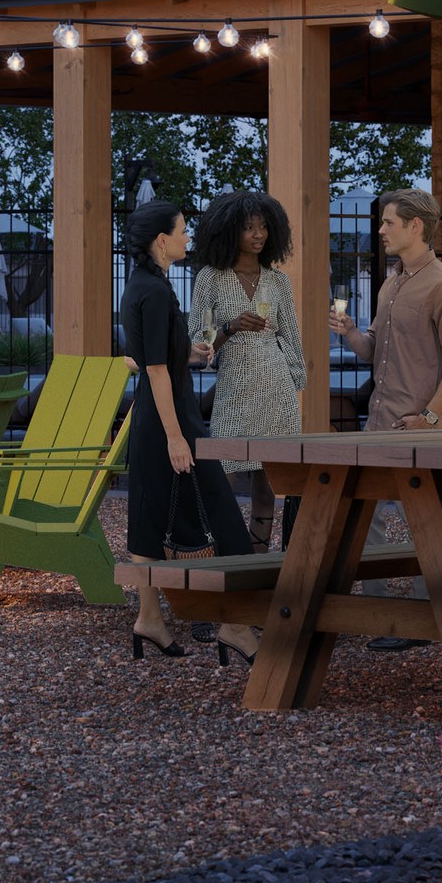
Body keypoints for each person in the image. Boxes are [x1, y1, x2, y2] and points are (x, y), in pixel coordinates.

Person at [119, 196, 255, 661]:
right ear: (162, 241)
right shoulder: (155, 292)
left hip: (157, 419)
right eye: (182, 231)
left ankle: (150, 619)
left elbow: (156, 358)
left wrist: (194, 354)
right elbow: (154, 370)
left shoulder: (142, 285)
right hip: (171, 423)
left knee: (149, 515)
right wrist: (177, 438)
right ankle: (236, 626)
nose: (187, 238)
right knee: (224, 517)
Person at [188, 191, 302, 546]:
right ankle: (225, 546)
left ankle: (258, 552)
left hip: (276, 382)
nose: (259, 234)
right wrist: (231, 327)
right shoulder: (210, 278)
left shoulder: (278, 280)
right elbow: (199, 340)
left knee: (270, 473)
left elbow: (292, 336)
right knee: (226, 467)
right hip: (235, 380)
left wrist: (296, 377)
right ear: (228, 231)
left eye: (264, 227)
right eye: (249, 227)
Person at [334, 190, 442, 431]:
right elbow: (372, 349)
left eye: (389, 223)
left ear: (415, 226)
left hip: (417, 435)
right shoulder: (391, 284)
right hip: (378, 425)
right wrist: (350, 332)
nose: (381, 230)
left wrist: (427, 419)